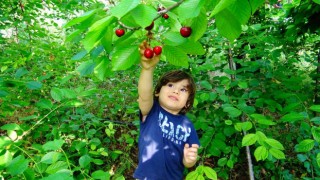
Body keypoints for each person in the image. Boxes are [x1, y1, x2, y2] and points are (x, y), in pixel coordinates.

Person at [133, 41, 200, 180]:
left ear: (187, 103)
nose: (175, 91)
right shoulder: (151, 111)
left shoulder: (188, 126)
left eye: (183, 89)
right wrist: (147, 69)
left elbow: (189, 160)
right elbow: (144, 95)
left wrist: (189, 160)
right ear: (157, 92)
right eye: (170, 85)